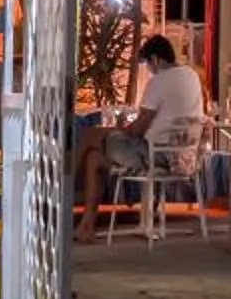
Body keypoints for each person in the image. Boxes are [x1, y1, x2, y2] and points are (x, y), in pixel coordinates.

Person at [73, 34, 206, 240]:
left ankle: (69, 178)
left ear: (155, 59)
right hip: (186, 157)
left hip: (155, 155)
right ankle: (85, 227)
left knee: (93, 134)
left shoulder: (159, 81)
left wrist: (120, 129)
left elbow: (139, 129)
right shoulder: (192, 75)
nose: (149, 70)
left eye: (148, 64)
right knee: (94, 159)